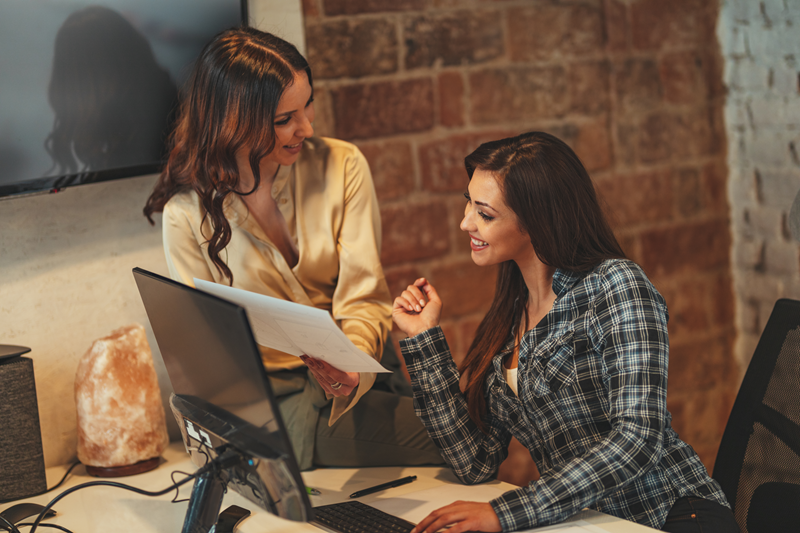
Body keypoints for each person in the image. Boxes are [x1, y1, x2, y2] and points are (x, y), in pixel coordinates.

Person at [393, 132, 739, 533]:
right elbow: (475, 462)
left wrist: (505, 513)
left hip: (667, 515)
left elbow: (639, 439)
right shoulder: (510, 315)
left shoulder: (616, 285)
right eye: (468, 202)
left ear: (536, 220)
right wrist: (423, 339)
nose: (465, 222)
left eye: (485, 214)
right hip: (588, 523)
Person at [143, 27, 442, 471]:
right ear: (233, 121)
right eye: (284, 119)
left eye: (308, 105)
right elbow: (209, 356)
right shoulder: (186, 216)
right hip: (278, 405)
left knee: (461, 430)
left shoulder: (342, 164)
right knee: (454, 440)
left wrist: (353, 368)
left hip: (362, 369)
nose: (307, 128)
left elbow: (363, 294)